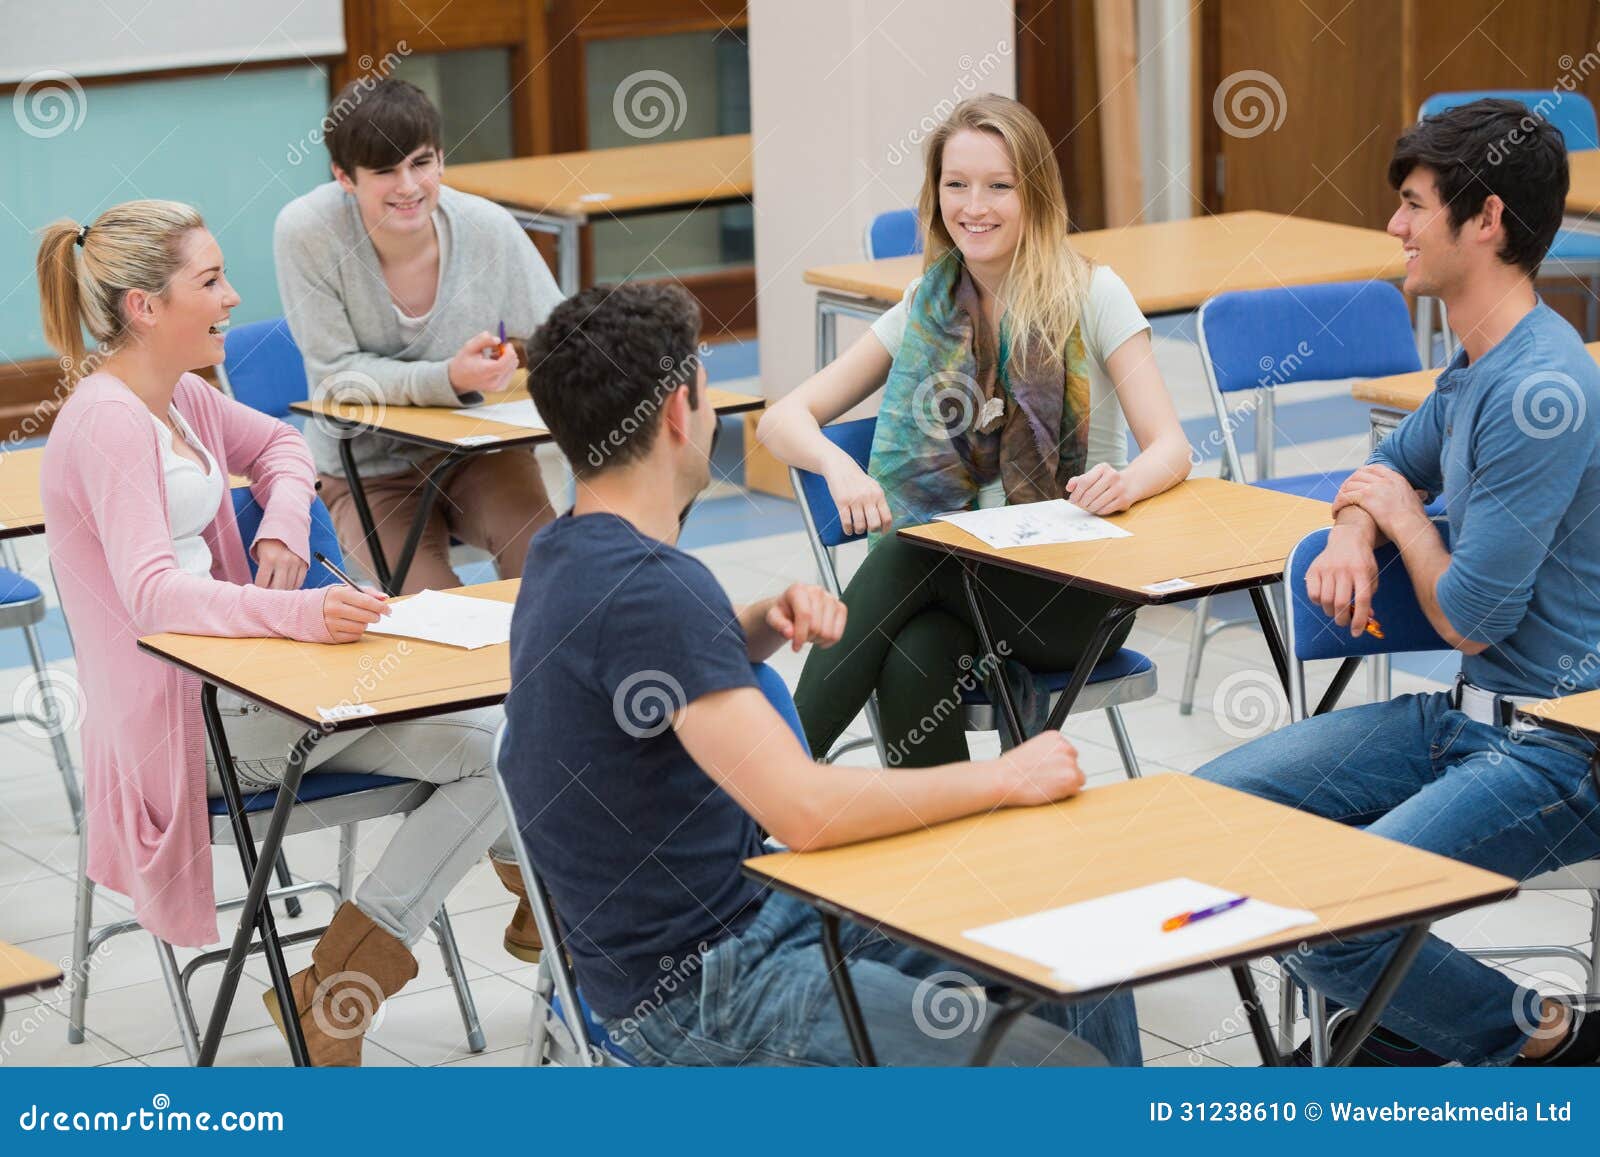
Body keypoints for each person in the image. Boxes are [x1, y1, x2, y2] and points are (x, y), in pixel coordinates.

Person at [499, 281, 1141, 1066]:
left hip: (738, 925)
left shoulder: (565, 553)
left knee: (1078, 927)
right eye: (705, 393)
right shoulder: (652, 588)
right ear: (676, 412)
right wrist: (1007, 775)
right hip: (711, 987)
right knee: (1065, 1071)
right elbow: (805, 810)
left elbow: (646, 663)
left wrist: (762, 619)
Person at [38, 200, 537, 1067]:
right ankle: (517, 901)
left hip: (249, 688)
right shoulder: (109, 420)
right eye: (210, 281)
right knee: (492, 750)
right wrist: (300, 614)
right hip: (185, 726)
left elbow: (282, 445)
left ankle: (331, 989)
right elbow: (154, 597)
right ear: (145, 308)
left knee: (499, 740)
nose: (233, 297)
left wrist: (280, 518)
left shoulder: (179, 394)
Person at [1197, 98, 1600, 1066]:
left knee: (1332, 920)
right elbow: (1381, 467)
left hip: (1562, 752)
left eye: (1413, 204)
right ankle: (1414, 1036)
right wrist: (1350, 527)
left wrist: (1402, 517)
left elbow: (1465, 615)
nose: (1394, 227)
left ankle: (1548, 1040)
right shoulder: (1476, 365)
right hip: (1464, 721)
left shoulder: (1538, 392)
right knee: (1205, 824)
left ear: (1486, 220)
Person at [757, 94, 1189, 766]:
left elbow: (1172, 448)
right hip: (963, 595)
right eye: (955, 185)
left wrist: (1127, 480)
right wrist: (840, 466)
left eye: (998, 186)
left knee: (909, 552)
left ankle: (762, 789)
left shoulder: (1094, 293)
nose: (973, 206)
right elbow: (783, 420)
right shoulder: (927, 305)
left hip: (1077, 592)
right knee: (913, 655)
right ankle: (942, 855)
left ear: (1036, 194)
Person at [275, 78, 562, 594]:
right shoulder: (307, 231)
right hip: (365, 469)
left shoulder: (486, 227)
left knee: (554, 577)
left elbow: (565, 339)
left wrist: (522, 357)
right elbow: (336, 377)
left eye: (421, 163)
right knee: (431, 617)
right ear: (345, 177)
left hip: (478, 455)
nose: (408, 186)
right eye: (384, 172)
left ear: (441, 160)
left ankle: (551, 676)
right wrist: (447, 378)